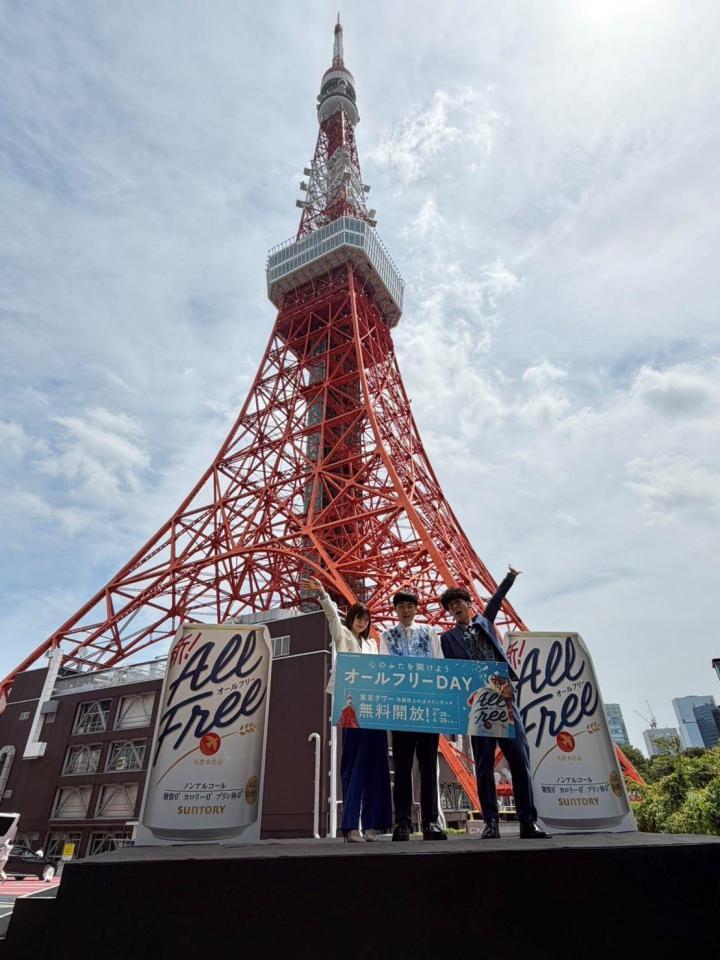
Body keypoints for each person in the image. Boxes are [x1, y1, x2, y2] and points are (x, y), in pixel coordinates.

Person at [439, 566, 549, 840]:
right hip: (478, 704)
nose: (456, 608)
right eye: (451, 606)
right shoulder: (447, 638)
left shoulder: (484, 621)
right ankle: (490, 822)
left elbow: (496, 599)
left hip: (503, 696)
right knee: (484, 766)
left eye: (459, 602)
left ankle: (528, 822)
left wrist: (509, 578)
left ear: (468, 604)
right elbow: (451, 672)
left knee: (519, 759)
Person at [301, 577, 392, 843]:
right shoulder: (343, 636)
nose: (361, 623)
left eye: (365, 619)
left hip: (374, 707)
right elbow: (332, 618)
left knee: (378, 766)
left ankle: (374, 825)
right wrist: (323, 596)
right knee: (354, 765)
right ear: (351, 619)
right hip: (352, 706)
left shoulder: (373, 644)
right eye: (358, 618)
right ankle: (351, 826)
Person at [380, 590, 447, 841]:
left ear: (416, 609)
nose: (405, 610)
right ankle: (403, 823)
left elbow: (439, 664)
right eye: (401, 607)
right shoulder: (387, 636)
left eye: (409, 606)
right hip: (401, 708)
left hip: (427, 707)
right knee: (402, 766)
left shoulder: (429, 632)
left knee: (429, 766)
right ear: (395, 610)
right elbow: (385, 668)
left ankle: (431, 822)